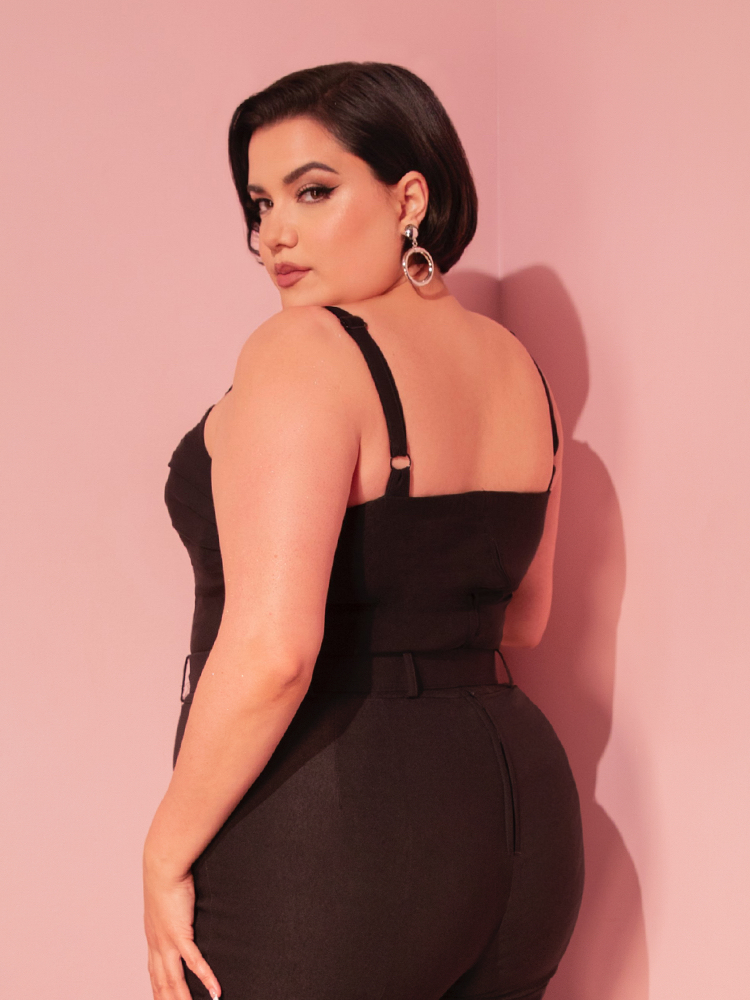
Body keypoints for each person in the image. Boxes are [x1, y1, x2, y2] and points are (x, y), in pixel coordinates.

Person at [143, 61, 584, 1000]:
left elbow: (275, 654)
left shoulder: (305, 349)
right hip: (522, 817)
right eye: (260, 204)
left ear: (408, 198)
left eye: (314, 190)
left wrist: (163, 851)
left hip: (336, 823)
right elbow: (526, 616)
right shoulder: (520, 369)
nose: (276, 233)